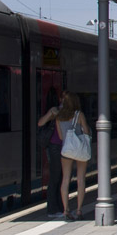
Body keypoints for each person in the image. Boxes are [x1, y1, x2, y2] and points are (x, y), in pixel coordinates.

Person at [45, 91, 92, 221]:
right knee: (80, 180)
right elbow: (86, 132)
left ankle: (66, 210)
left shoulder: (59, 117)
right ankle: (79, 210)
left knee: (65, 180)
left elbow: (60, 137)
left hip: (66, 150)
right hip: (80, 150)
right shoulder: (79, 115)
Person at [37, 93, 65, 218]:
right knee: (55, 178)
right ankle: (53, 209)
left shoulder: (70, 112)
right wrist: (51, 114)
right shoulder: (55, 111)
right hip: (55, 147)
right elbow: (40, 123)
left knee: (60, 178)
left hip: (63, 148)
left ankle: (60, 208)